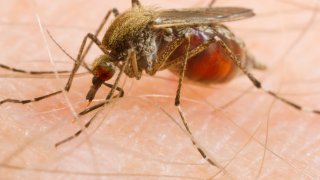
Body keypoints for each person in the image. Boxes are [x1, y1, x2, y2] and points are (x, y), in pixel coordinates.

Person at [1, 0, 319, 179]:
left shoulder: (127, 49)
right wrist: (67, 84)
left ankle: (263, 88)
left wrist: (176, 104)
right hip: (162, 40)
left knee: (211, 38)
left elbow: (154, 43)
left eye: (102, 77)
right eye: (102, 77)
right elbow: (96, 40)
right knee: (105, 29)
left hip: (211, 50)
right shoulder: (112, 47)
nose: (99, 82)